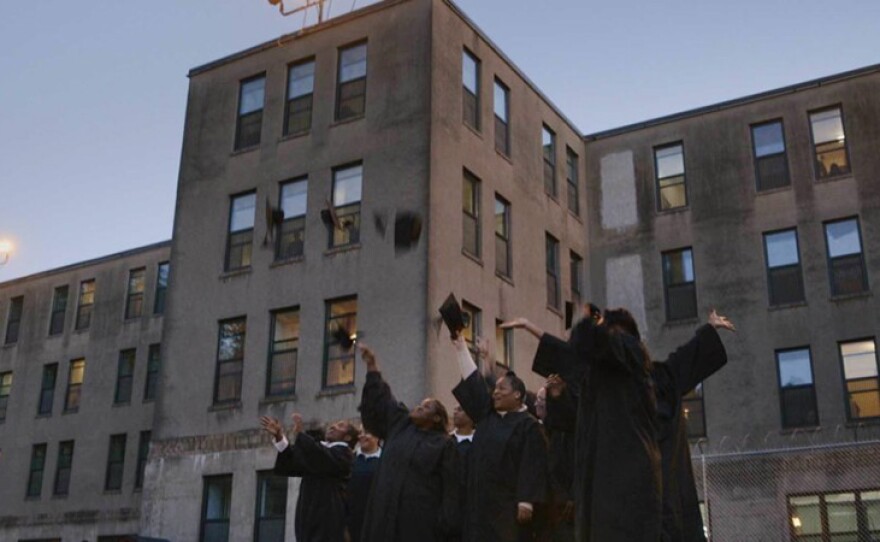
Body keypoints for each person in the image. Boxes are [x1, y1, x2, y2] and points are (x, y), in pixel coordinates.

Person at [505, 307, 662, 542]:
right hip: (600, 480)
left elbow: (578, 348)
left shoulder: (628, 360)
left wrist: (588, 322)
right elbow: (569, 355)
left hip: (626, 475)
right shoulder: (599, 376)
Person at [357, 343, 460, 542]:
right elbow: (382, 401)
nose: (419, 407)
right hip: (383, 521)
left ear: (437, 418)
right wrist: (372, 367)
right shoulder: (400, 425)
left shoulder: (444, 446)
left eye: (427, 407)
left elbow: (452, 492)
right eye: (420, 404)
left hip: (420, 526)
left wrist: (444, 526)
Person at [450, 335, 549, 542]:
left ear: (517, 395)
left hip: (507, 510)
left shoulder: (528, 425)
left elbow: (532, 465)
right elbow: (473, 382)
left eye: (501, 389)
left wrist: (527, 500)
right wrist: (460, 347)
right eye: (495, 389)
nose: (495, 393)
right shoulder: (487, 415)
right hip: (478, 506)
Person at [650, 310, 734, 541]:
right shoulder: (619, 393)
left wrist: (709, 329)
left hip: (670, 490)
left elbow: (685, 357)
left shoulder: (661, 379)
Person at [260, 413, 357, 542]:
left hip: (328, 523)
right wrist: (279, 437)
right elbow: (293, 463)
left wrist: (301, 434)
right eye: (334, 424)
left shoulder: (345, 455)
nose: (333, 426)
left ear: (348, 437)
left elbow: (321, 457)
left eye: (340, 426)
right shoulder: (319, 451)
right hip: (308, 518)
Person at [347, 429, 382, 542]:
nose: (362, 436)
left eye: (367, 432)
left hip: (376, 522)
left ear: (378, 437)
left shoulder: (386, 461)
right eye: (360, 433)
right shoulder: (349, 458)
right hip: (351, 522)